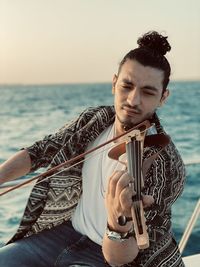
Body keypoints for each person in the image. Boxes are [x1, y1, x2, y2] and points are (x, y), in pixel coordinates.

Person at [0, 31, 185, 267]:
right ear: (114, 83)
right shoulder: (93, 120)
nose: (133, 100)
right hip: (63, 233)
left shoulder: (165, 165)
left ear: (163, 97)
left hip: (110, 256)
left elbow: (121, 257)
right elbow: (40, 151)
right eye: (127, 86)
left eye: (148, 92)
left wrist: (118, 223)